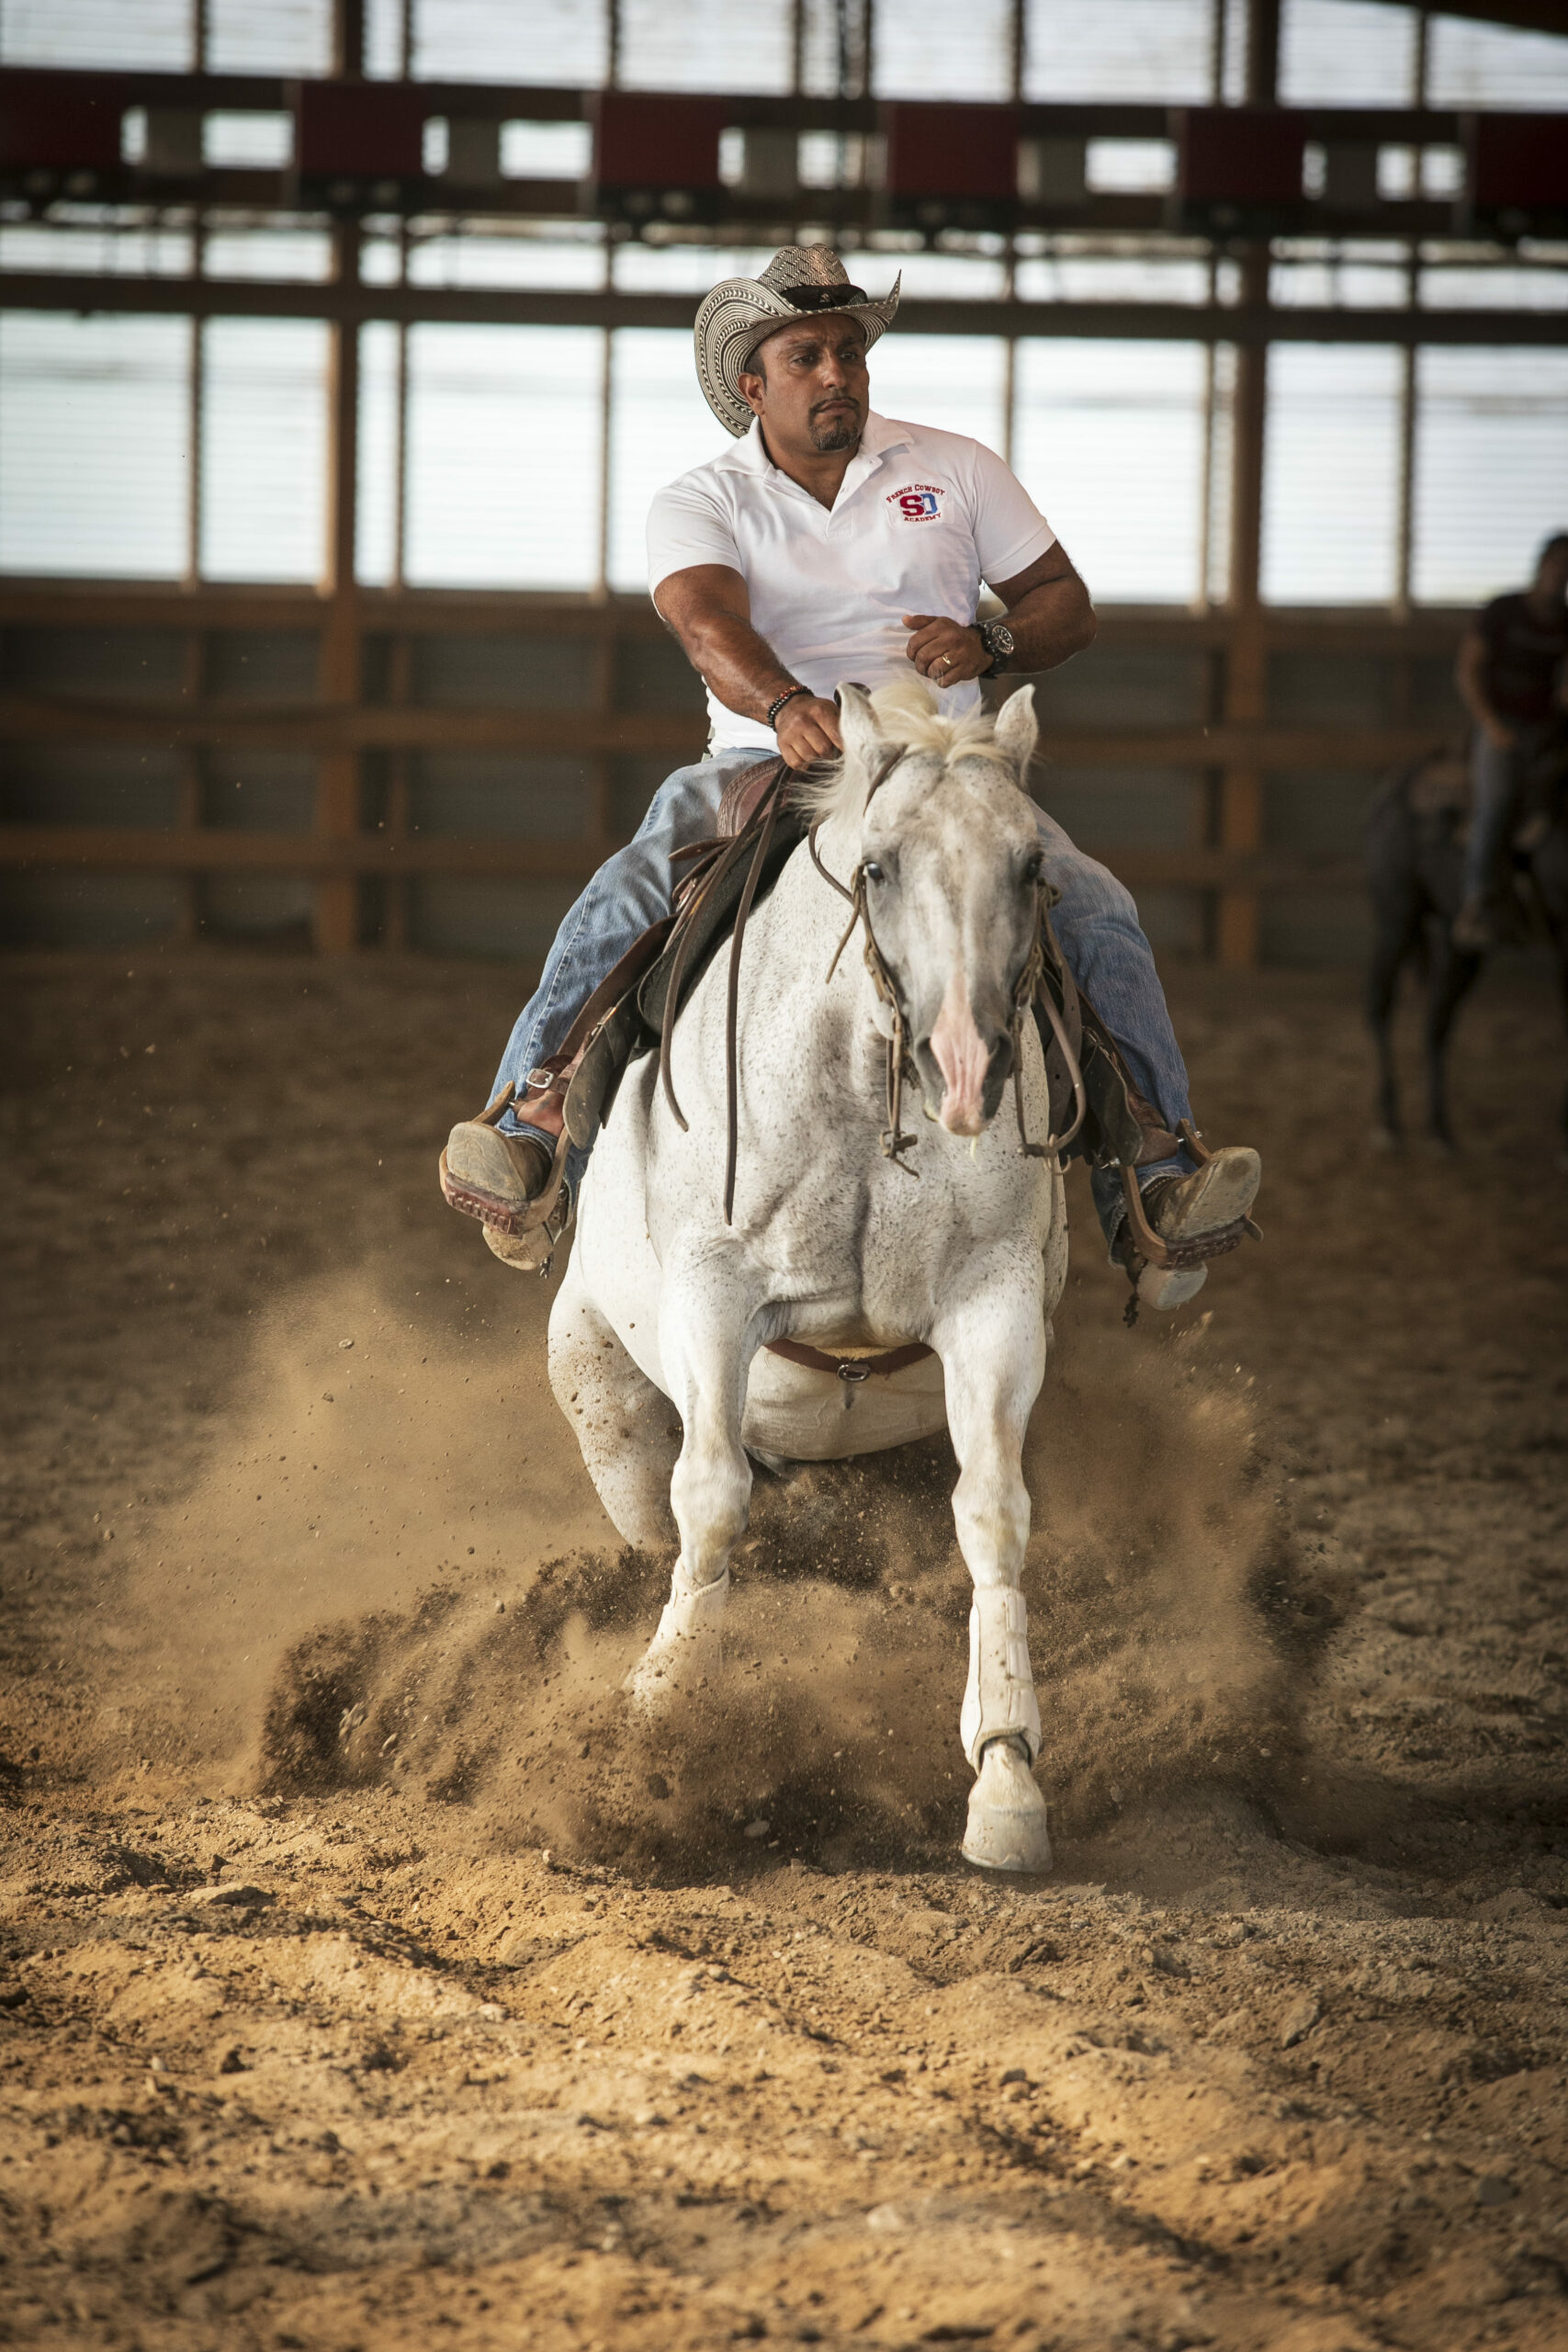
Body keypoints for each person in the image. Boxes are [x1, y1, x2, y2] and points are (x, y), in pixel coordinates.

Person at [440, 245, 1259, 1310]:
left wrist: (991, 646)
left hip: (944, 768)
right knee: (637, 884)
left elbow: (1065, 600)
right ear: (753, 385)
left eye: (851, 353)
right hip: (769, 761)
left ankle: (1155, 1171)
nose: (839, 374)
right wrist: (785, 707)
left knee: (1095, 905)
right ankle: (531, 1124)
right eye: (808, 356)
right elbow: (705, 622)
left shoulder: (955, 467)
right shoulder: (704, 499)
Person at [1452, 531, 1568, 951]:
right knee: (1497, 801)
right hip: (1499, 727)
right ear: (1541, 565)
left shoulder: (1564, 623)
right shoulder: (1503, 611)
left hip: (1546, 732)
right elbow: (1468, 672)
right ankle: (1476, 901)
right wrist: (1491, 725)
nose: (1561, 573)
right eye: (1556, 563)